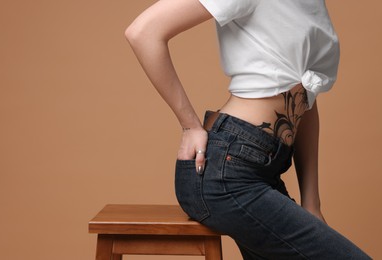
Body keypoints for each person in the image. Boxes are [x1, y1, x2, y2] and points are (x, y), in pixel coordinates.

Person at [125, 0, 371, 259]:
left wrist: (311, 201)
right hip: (227, 168)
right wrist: (189, 125)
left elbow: (305, 98)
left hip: (266, 166)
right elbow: (143, 32)